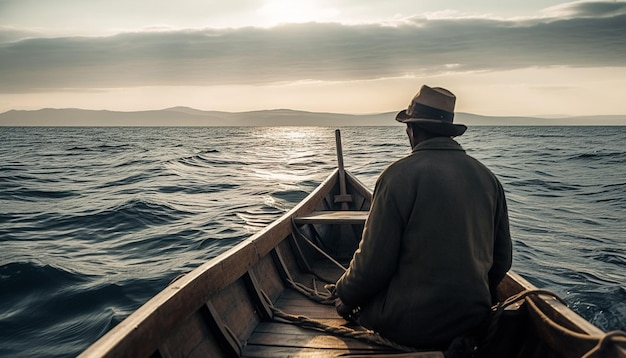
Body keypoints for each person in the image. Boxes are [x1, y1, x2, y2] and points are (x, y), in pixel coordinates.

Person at [334, 85, 512, 350]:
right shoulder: (488, 179)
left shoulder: (396, 177)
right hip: (473, 322)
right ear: (449, 133)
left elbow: (373, 265)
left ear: (412, 131)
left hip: (409, 327)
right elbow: (502, 261)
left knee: (357, 304)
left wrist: (344, 295)